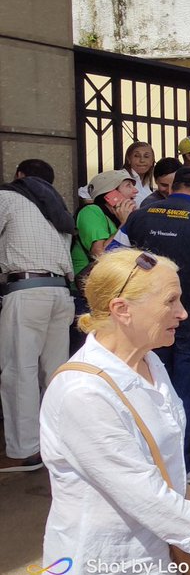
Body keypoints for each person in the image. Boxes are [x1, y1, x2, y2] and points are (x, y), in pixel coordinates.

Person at [39, 249, 190, 575]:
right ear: (121, 309)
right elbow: (146, 496)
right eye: (170, 301)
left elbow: (168, 472)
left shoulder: (150, 364)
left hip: (167, 563)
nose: (183, 313)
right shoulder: (82, 393)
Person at [108, 167, 190, 483]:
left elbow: (113, 256)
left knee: (151, 387)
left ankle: (148, 460)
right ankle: (180, 464)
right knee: (188, 392)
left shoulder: (140, 217)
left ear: (173, 188)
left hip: (148, 319)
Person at [0, 159, 75, 473]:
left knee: (19, 372)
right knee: (56, 372)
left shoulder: (8, 197)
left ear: (20, 176)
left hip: (27, 290)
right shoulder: (54, 208)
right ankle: (60, 441)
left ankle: (24, 450)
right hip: (61, 292)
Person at [71, 170, 138, 278]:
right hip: (90, 287)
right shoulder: (91, 211)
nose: (136, 191)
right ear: (111, 194)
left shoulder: (117, 216)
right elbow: (100, 254)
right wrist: (124, 224)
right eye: (128, 186)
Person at [122, 141, 156, 205]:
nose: (142, 160)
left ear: (152, 161)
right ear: (128, 159)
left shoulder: (147, 184)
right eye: (137, 156)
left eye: (146, 156)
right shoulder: (123, 179)